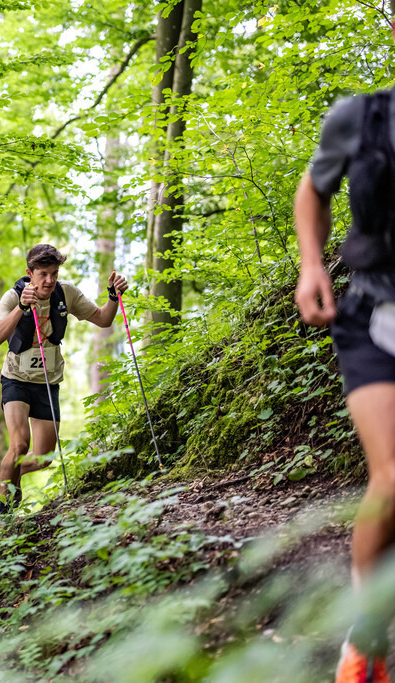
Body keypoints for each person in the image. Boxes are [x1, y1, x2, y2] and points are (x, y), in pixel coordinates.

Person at [294, 17, 395, 681]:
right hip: (371, 314)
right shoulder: (359, 118)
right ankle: (366, 639)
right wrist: (311, 264)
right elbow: (312, 190)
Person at [0, 244, 128, 512]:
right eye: (43, 274)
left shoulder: (66, 293)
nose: (49, 280)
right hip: (16, 379)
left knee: (43, 458)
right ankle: (0, 516)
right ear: (30, 273)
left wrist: (113, 296)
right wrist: (21, 307)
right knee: (19, 444)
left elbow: (103, 320)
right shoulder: (11, 297)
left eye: (54, 273)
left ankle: (8, 478)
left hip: (48, 383)